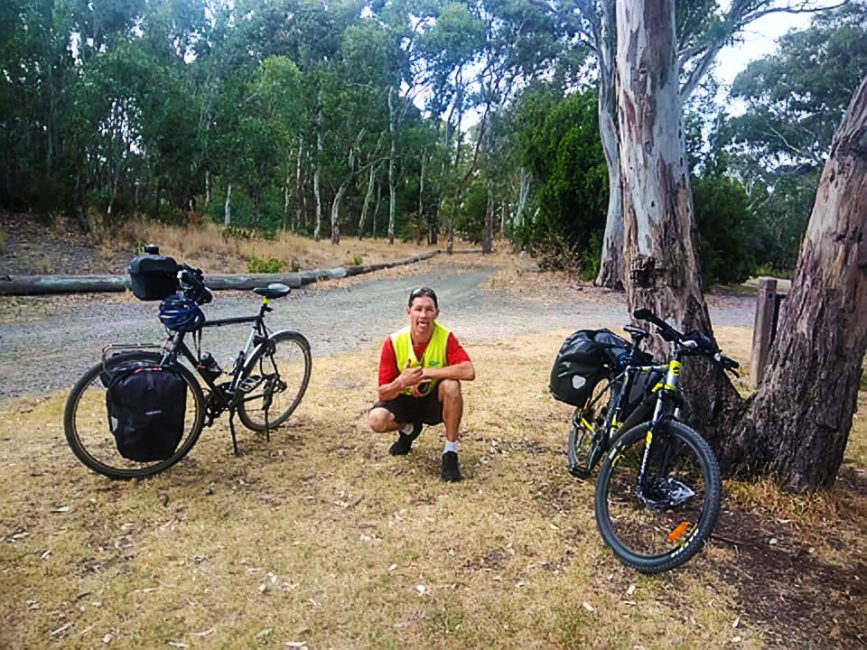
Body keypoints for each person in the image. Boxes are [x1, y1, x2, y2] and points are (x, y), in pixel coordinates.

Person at [368, 287, 475, 482]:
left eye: (429, 309)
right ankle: (408, 429)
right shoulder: (394, 341)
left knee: (452, 385)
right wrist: (402, 381)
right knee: (377, 419)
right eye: (418, 309)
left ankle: (450, 453)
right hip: (403, 400)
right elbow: (383, 393)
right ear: (409, 311)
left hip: (433, 401)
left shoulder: (446, 337)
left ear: (437, 313)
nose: (423, 315)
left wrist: (426, 373)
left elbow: (468, 371)